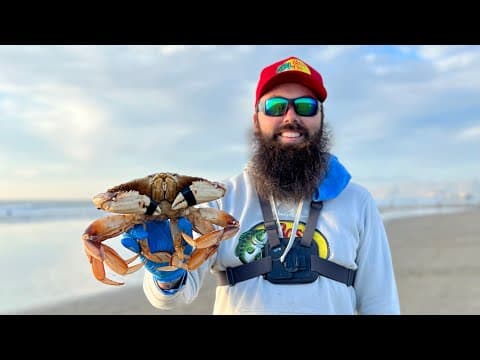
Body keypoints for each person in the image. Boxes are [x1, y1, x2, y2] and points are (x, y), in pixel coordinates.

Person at [121, 56, 401, 315]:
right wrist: (167, 273)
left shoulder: (356, 201)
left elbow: (381, 302)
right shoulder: (221, 199)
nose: (290, 117)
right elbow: (173, 297)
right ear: (256, 121)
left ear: (321, 119)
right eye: (276, 107)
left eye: (306, 106)